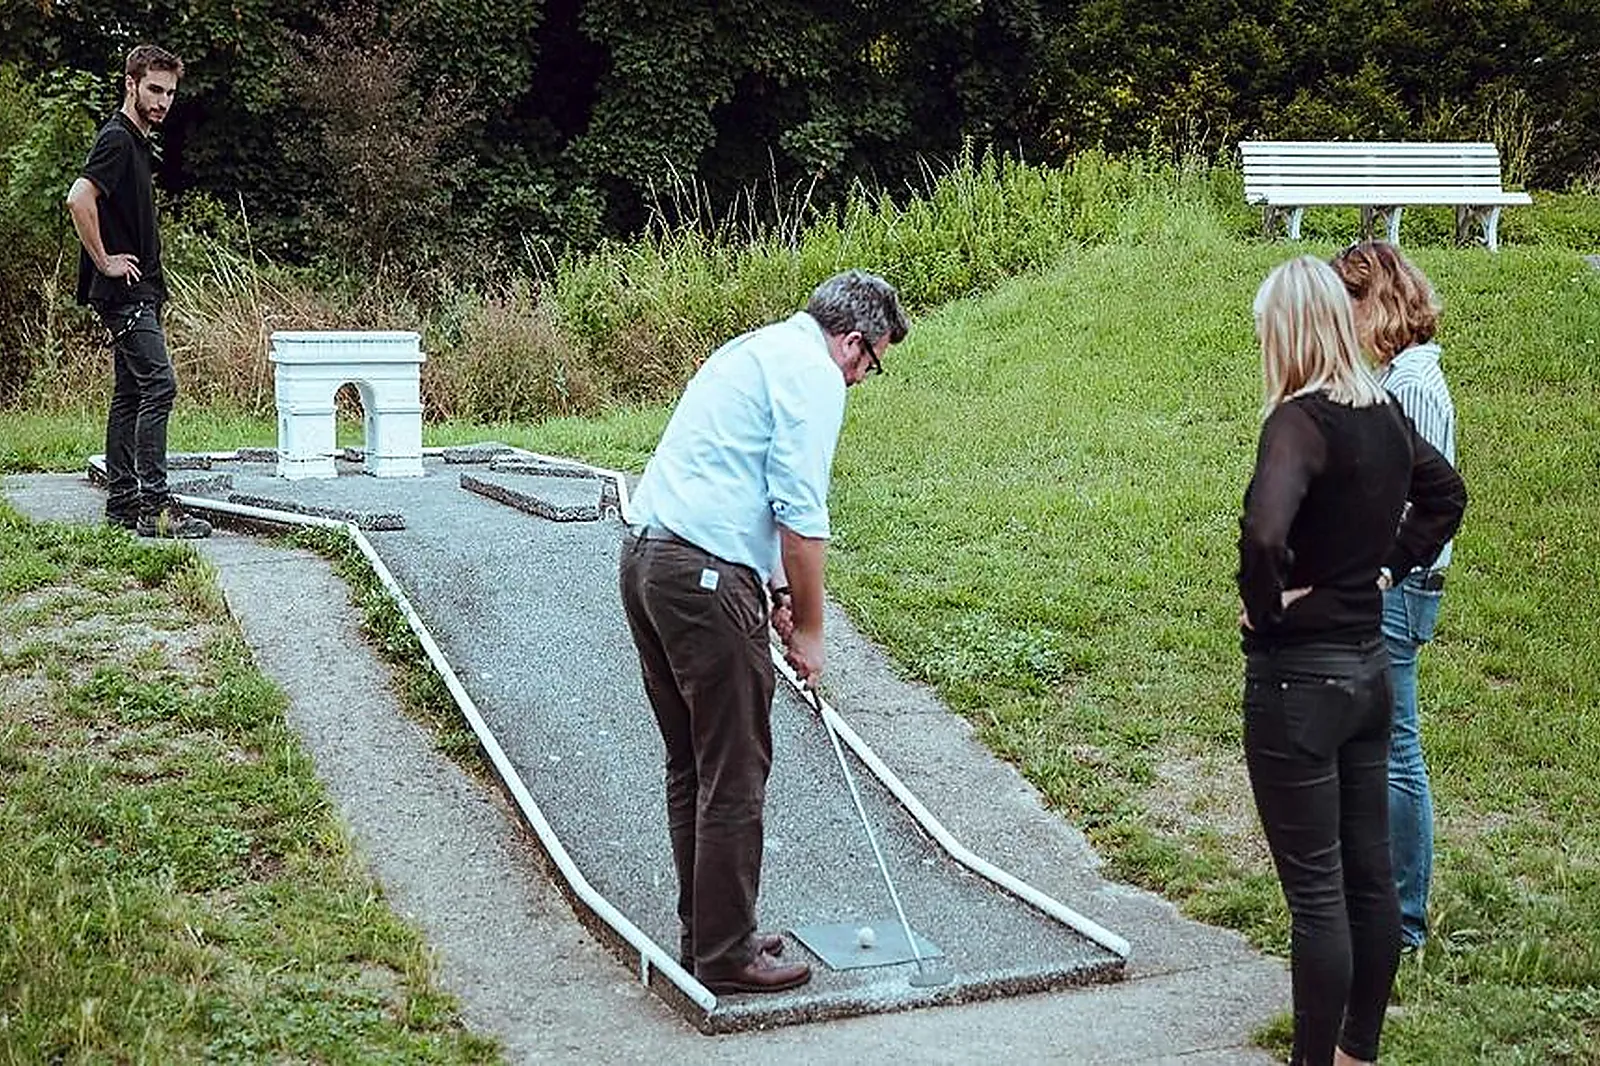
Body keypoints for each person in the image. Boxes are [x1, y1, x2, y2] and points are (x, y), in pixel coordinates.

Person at [618, 270, 908, 995]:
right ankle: (726, 955)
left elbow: (747, 487)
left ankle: (711, 934)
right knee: (734, 768)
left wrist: (775, 591)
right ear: (852, 342)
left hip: (651, 562)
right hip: (702, 578)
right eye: (870, 363)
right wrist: (810, 629)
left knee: (694, 762)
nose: (862, 379)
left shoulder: (758, 348)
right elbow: (803, 520)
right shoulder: (813, 375)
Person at [1237, 256, 1465, 1065]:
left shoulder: (1300, 420)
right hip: (1370, 673)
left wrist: (1264, 608)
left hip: (1298, 683)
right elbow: (1447, 495)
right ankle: (1356, 1052)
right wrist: (1387, 568)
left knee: (1316, 894)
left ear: (1288, 328)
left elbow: (1266, 532)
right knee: (1370, 879)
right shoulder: (1383, 412)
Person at [1330, 241, 1455, 951]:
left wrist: (1377, 572)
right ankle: (1376, 903)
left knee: (1397, 750)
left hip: (1400, 590)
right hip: (1386, 584)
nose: (1342, 322)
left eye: (1350, 306)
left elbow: (1422, 507)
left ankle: (1404, 920)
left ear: (1378, 302)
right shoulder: (1396, 376)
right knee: (1375, 746)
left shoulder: (1412, 385)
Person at [66, 44, 211, 539]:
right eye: (154, 88)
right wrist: (104, 261)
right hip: (126, 293)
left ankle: (123, 503)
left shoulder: (137, 142)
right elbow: (79, 198)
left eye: (170, 92)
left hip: (138, 290)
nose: (163, 100)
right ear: (131, 84)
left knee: (130, 392)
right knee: (159, 385)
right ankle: (155, 507)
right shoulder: (116, 140)